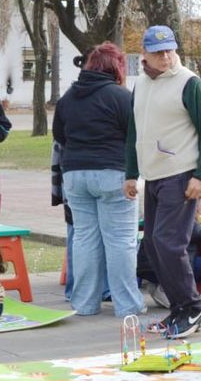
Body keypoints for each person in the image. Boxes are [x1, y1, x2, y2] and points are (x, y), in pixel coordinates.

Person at [124, 25, 201, 339]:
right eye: (158, 51)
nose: (165, 57)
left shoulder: (188, 82)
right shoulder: (140, 85)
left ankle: (193, 307)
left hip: (181, 173)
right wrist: (130, 173)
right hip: (153, 175)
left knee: (169, 241)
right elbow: (135, 132)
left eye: (170, 50)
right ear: (145, 54)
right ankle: (179, 308)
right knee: (152, 243)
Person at [53, 42, 143, 319]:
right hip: (113, 173)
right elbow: (135, 136)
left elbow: (60, 135)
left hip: (75, 174)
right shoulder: (120, 96)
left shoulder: (67, 98)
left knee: (84, 238)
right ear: (116, 67)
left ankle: (84, 303)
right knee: (120, 241)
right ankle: (127, 304)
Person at [137, 187, 201, 303]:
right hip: (159, 265)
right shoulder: (184, 210)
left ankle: (160, 285)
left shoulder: (174, 206)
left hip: (149, 263)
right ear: (196, 198)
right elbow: (194, 231)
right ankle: (165, 287)